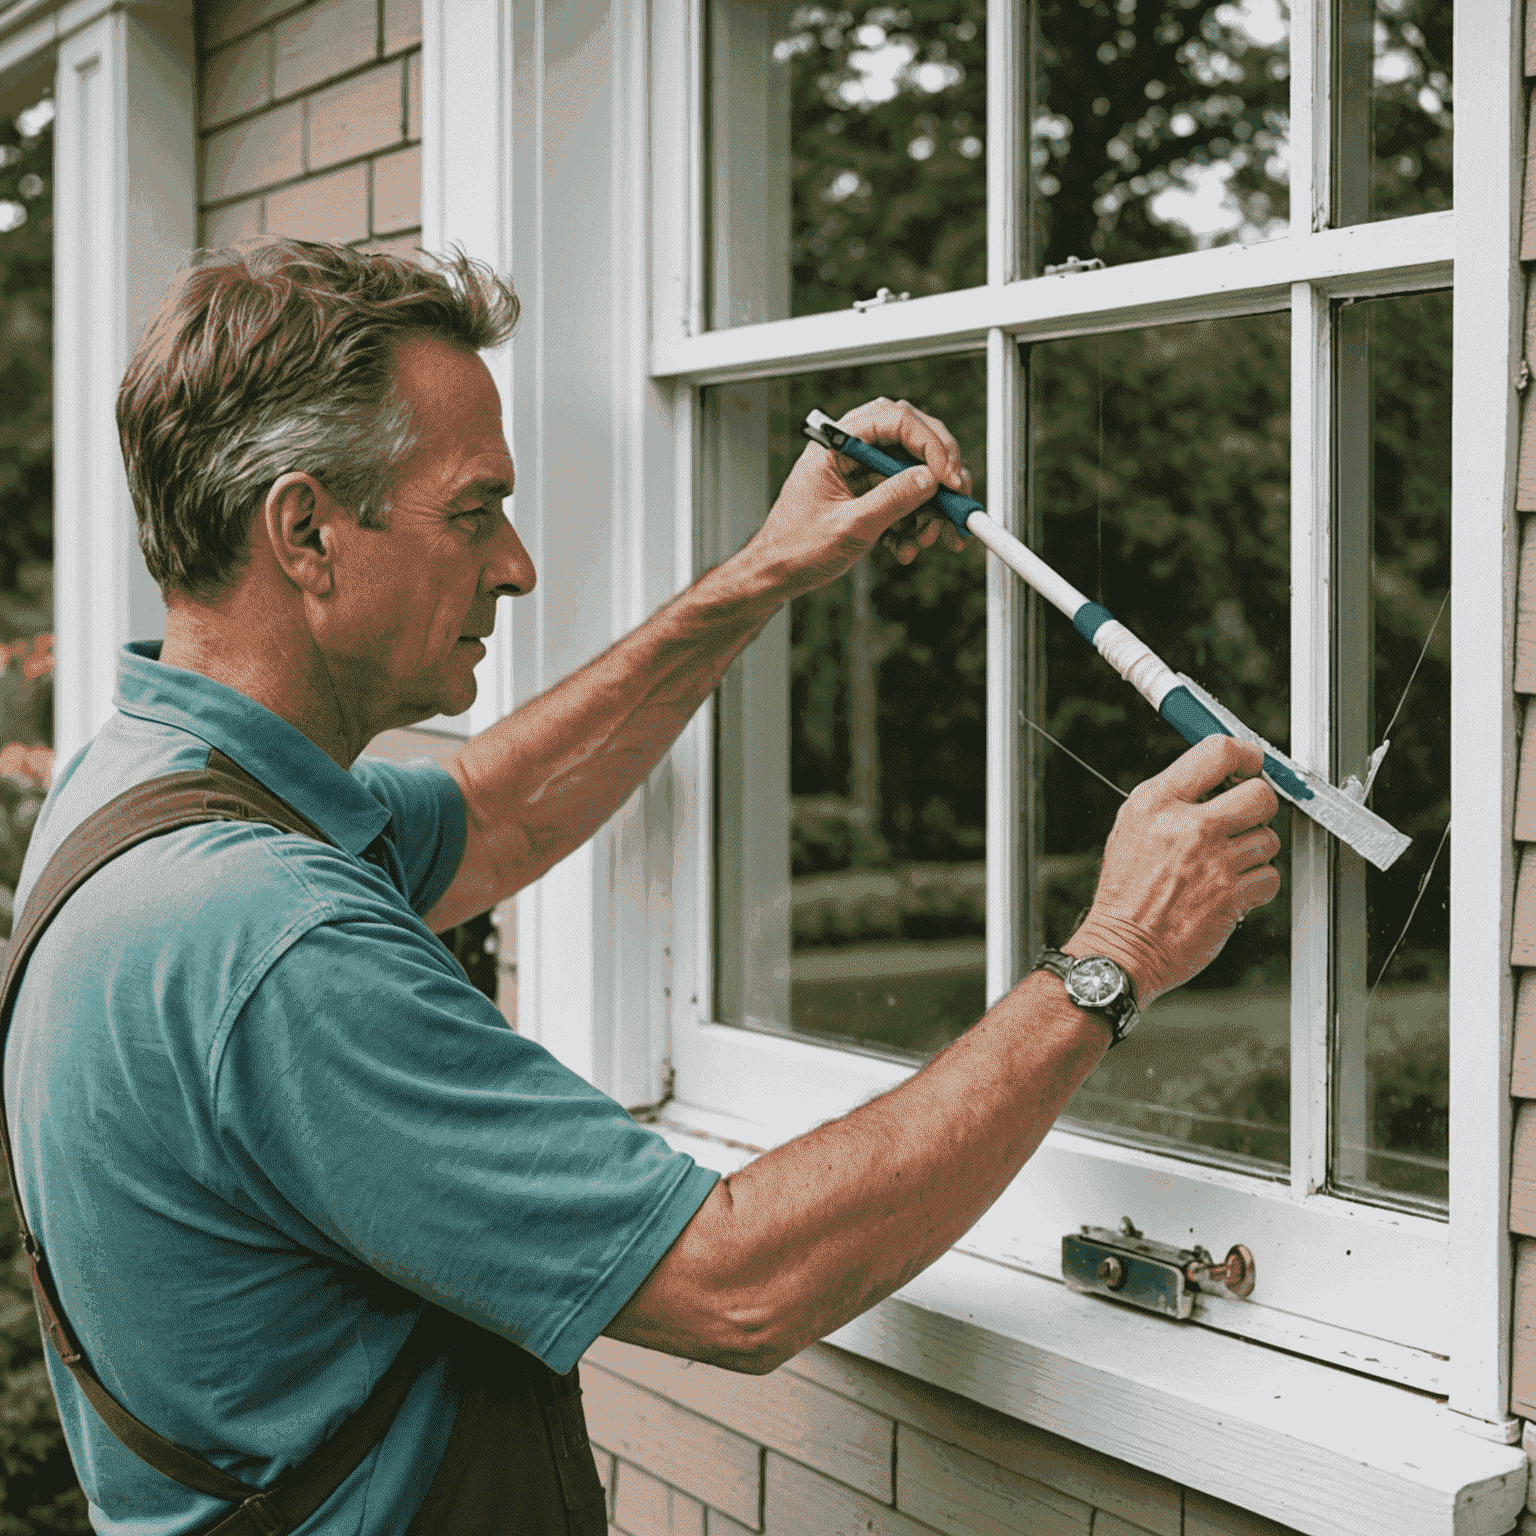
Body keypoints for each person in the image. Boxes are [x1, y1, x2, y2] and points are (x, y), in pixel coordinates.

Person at [5, 240, 1280, 1533]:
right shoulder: (270, 940)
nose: (514, 564)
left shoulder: (144, 788)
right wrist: (1112, 954)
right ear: (306, 533)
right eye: (470, 511)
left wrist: (762, 571)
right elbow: (739, 1281)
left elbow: (494, 813)